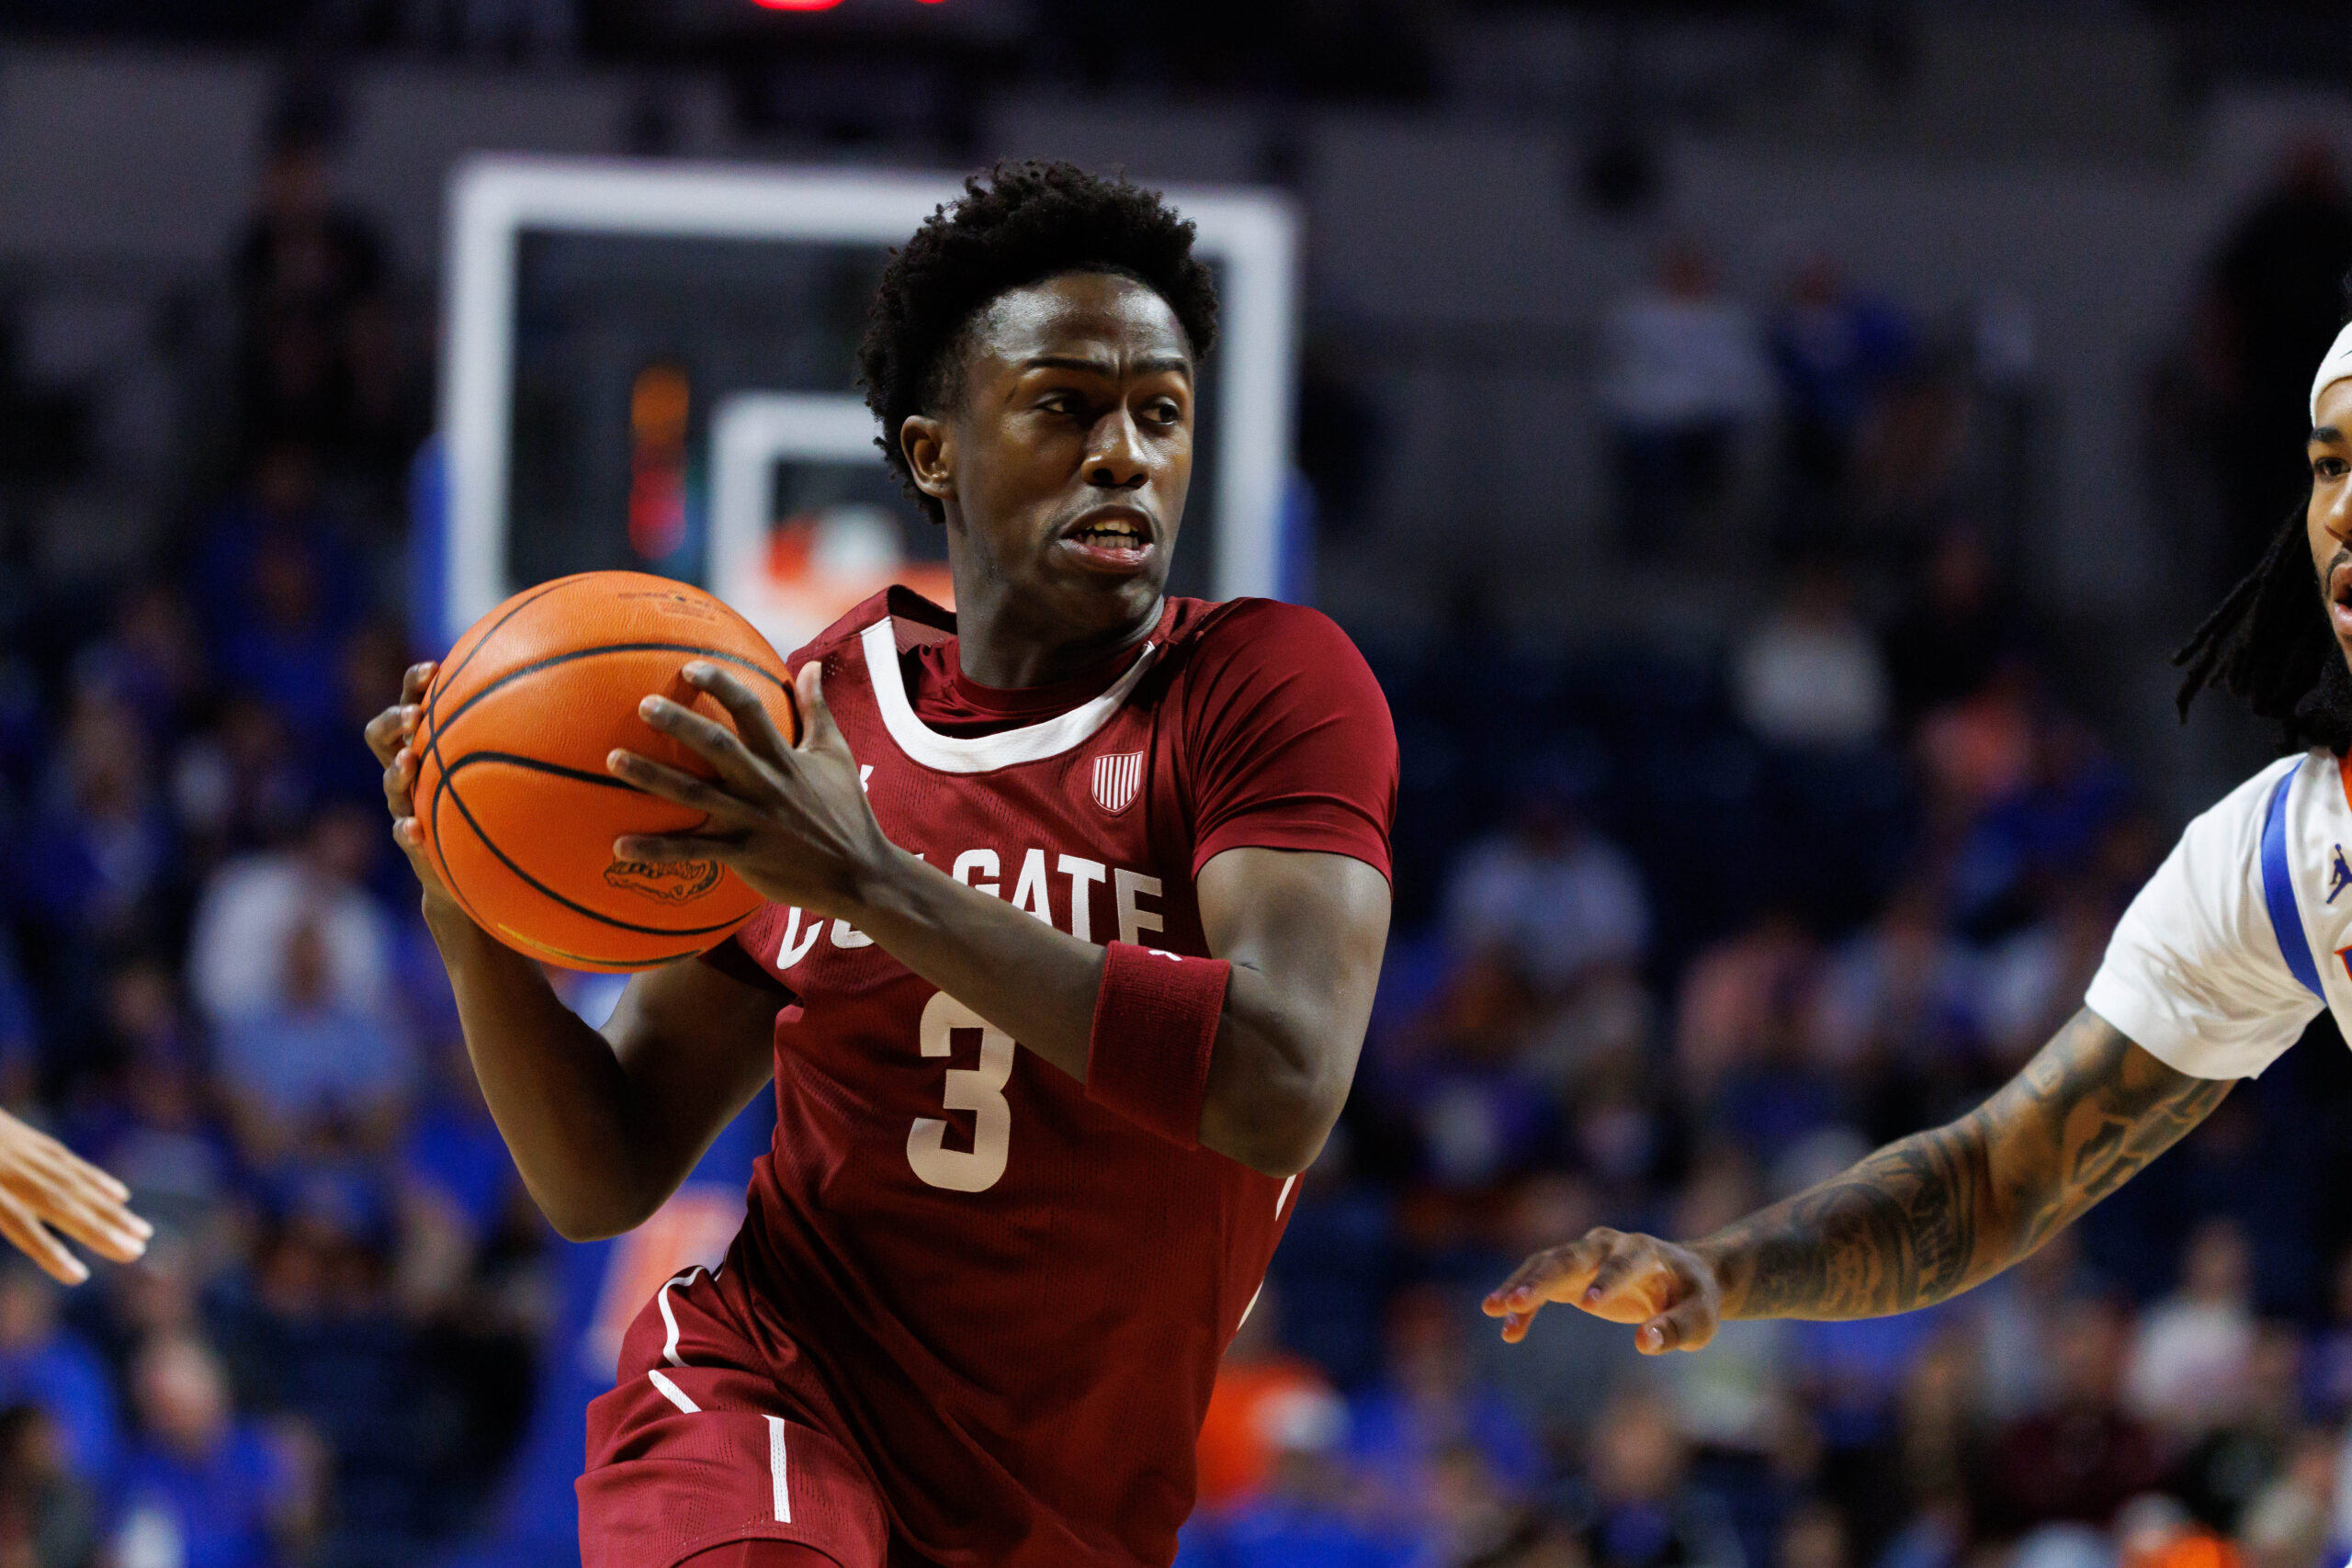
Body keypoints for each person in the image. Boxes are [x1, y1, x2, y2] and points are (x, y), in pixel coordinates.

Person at [364, 162, 1397, 1568]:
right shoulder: (808, 716)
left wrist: (874, 883)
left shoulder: (1266, 689)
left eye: (1161, 412)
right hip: (777, 1388)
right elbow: (602, 1170)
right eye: (1064, 405)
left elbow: (1279, 1084)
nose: (1125, 454)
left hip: (1062, 1505)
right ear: (931, 453)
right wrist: (464, 896)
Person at [1480, 317, 2352, 1395]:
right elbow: (1996, 1180)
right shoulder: (2281, 855)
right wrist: (1719, 1268)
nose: (2343, 512)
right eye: (2328, 465)